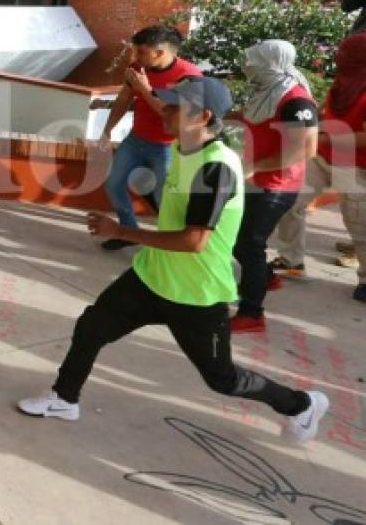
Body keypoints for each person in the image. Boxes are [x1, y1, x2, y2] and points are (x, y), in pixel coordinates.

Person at [17, 77, 329, 442]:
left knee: (222, 378)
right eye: (165, 103)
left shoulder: (216, 168)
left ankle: (301, 404)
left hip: (196, 293)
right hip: (153, 276)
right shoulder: (184, 151)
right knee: (91, 328)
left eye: (174, 106)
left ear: (204, 116)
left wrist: (120, 232)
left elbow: (195, 241)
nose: (164, 110)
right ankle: (64, 398)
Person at [229, 41, 318, 333]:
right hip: (257, 180)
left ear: (271, 62)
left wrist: (254, 166)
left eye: (253, 61)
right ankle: (265, 277)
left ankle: (252, 314)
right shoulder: (266, 91)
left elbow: (303, 151)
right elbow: (248, 118)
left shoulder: (296, 100)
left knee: (248, 244)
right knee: (238, 240)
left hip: (277, 186)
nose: (248, 66)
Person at [271, 31, 366, 301]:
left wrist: (323, 135)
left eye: (347, 54)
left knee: (360, 225)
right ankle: (291, 261)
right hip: (322, 156)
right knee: (290, 202)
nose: (340, 57)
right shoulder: (345, 83)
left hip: (358, 167)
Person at [98, 25, 202, 251]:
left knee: (165, 199)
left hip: (168, 147)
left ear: (160, 52)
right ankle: (128, 231)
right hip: (136, 140)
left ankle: (170, 245)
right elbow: (124, 99)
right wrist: (107, 130)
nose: (136, 57)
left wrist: (144, 89)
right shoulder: (138, 68)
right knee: (114, 185)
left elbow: (173, 116)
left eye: (141, 52)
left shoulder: (189, 77)